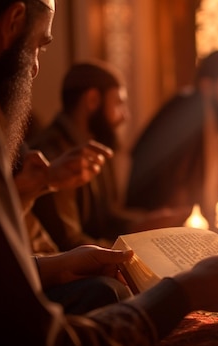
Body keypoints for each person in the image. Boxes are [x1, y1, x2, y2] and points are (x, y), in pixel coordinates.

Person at [0, 1, 218, 346]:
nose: (35, 68)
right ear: (13, 20)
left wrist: (57, 266)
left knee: (101, 288)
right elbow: (36, 339)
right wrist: (186, 292)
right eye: (38, 46)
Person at [125, 50, 218, 228]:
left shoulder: (215, 116)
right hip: (163, 219)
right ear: (206, 85)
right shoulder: (185, 112)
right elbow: (170, 176)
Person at [27, 60, 137, 250]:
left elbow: (107, 217)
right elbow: (69, 243)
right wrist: (132, 252)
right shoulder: (53, 155)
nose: (125, 116)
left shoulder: (95, 144)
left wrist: (147, 224)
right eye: (118, 103)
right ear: (93, 100)